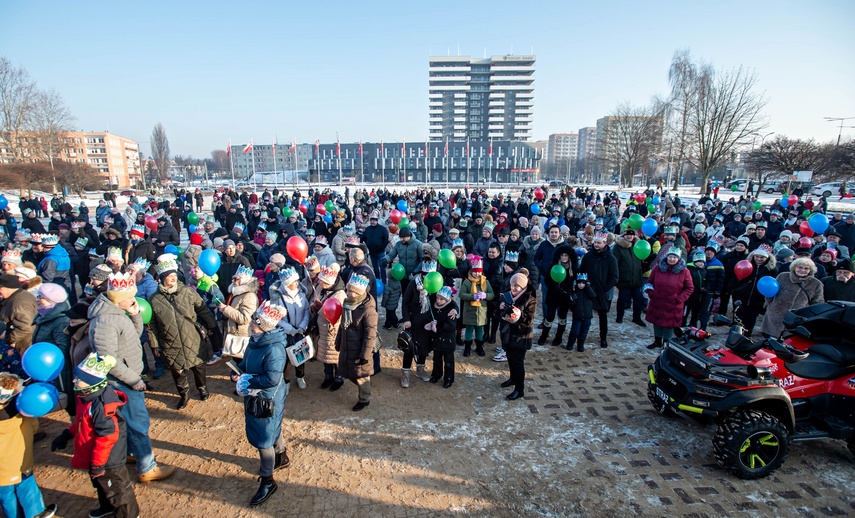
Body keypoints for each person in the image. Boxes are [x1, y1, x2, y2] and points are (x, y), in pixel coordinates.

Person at [87, 271, 176, 483]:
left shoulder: (117, 314)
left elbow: (131, 337)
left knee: (127, 422)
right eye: (130, 296)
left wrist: (135, 315)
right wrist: (134, 380)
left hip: (126, 376)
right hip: (122, 381)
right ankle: (147, 467)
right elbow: (108, 359)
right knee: (138, 423)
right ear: (118, 298)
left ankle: (132, 452)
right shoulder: (106, 321)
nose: (134, 299)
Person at [50, 353, 139, 518]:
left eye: (79, 379)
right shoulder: (86, 398)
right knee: (101, 485)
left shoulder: (102, 406)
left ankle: (129, 515)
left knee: (118, 491)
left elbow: (107, 437)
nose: (74, 381)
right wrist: (67, 434)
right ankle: (107, 508)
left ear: (92, 382)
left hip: (109, 460)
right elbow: (82, 423)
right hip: (96, 456)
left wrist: (98, 464)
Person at [233, 301, 289, 507]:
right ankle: (281, 456)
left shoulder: (274, 349)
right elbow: (246, 362)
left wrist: (247, 380)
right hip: (256, 395)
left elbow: (272, 379)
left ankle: (268, 481)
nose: (250, 324)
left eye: (254, 323)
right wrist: (237, 371)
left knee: (264, 439)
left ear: (263, 326)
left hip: (267, 398)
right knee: (273, 427)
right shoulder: (255, 340)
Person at [149, 254, 218, 410]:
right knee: (177, 371)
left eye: (174, 275)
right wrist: (154, 343)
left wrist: (212, 325)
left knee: (198, 365)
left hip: (191, 336)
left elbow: (202, 309)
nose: (173, 278)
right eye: (169, 276)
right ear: (162, 278)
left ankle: (202, 388)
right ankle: (184, 395)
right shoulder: (154, 299)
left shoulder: (187, 292)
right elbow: (152, 324)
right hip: (170, 341)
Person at [336, 274, 377, 411]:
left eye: (351, 291)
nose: (347, 293)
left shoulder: (368, 310)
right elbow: (342, 326)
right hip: (348, 346)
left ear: (359, 292)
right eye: (347, 290)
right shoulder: (348, 304)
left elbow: (370, 335)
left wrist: (365, 355)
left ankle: (364, 399)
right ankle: (365, 392)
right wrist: (338, 341)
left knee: (361, 376)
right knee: (351, 373)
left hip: (360, 349)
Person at [32, 283, 73, 418]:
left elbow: (63, 347)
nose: (37, 299)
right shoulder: (43, 316)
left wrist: (46, 360)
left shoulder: (60, 321)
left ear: (51, 300)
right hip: (46, 368)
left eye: (41, 297)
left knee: (66, 404)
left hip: (58, 371)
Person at [760, 258, 825, 338]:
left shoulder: (816, 284)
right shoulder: (783, 276)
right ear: (794, 267)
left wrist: (807, 318)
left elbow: (817, 303)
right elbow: (771, 292)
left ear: (810, 270)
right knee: (767, 341)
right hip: (774, 317)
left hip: (796, 321)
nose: (802, 270)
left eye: (806, 268)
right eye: (800, 267)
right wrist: (769, 305)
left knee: (787, 343)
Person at [498, 268, 537, 400]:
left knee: (518, 363)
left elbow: (529, 320)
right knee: (510, 358)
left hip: (521, 336)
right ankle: (513, 379)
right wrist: (501, 308)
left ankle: (519, 390)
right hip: (508, 334)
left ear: (523, 286)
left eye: (516, 286)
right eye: (512, 285)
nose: (513, 288)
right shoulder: (507, 296)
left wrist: (518, 314)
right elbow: (498, 314)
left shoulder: (530, 299)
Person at [268, 266, 310, 390]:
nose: (297, 283)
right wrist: (289, 328)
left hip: (299, 331)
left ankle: (300, 376)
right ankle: (286, 381)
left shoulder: (302, 293)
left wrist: (302, 326)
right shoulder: (277, 297)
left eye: (297, 280)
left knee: (301, 355)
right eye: (294, 281)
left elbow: (306, 311)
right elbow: (275, 317)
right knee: (285, 358)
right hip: (284, 333)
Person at [644, 248, 694, 349]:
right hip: (657, 301)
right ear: (666, 257)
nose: (672, 259)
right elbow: (649, 282)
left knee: (669, 325)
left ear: (678, 259)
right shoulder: (658, 268)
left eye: (674, 257)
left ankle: (666, 344)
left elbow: (689, 288)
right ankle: (657, 341)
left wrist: (679, 299)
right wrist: (652, 294)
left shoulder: (684, 271)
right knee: (657, 322)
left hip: (673, 304)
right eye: (670, 257)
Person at [399, 260, 437, 386]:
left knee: (424, 347)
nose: (427, 278)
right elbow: (405, 302)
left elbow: (442, 301)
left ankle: (420, 370)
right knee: (409, 348)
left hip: (427, 323)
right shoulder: (413, 283)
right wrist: (406, 319)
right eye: (425, 275)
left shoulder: (436, 284)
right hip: (413, 321)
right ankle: (405, 374)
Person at [578, 232, 618, 348]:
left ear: (605, 243)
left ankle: (603, 337)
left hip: (601, 291)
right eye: (595, 242)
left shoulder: (611, 258)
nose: (596, 244)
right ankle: (581, 337)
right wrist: (583, 284)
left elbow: (614, 277)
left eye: (599, 243)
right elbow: (581, 271)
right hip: (588, 289)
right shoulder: (588, 256)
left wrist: (605, 288)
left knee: (603, 315)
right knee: (584, 315)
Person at [310, 264, 347, 391]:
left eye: (322, 281)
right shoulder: (321, 289)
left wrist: (320, 309)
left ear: (329, 282)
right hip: (322, 330)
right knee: (324, 354)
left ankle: (339, 378)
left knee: (334, 356)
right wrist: (313, 307)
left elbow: (338, 315)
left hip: (333, 332)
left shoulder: (340, 295)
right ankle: (328, 377)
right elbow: (314, 302)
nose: (319, 282)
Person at [732, 245, 778, 336]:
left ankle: (746, 337)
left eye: (762, 257)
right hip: (742, 297)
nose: (759, 259)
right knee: (738, 318)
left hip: (757, 299)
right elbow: (737, 279)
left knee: (750, 320)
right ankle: (735, 336)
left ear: (767, 258)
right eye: (757, 256)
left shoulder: (771, 270)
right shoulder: (747, 265)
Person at [539, 244, 576, 346]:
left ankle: (558, 337)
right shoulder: (554, 266)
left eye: (566, 255)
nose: (564, 257)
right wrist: (556, 288)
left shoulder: (573, 268)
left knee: (562, 317)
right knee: (549, 317)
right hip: (553, 295)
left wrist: (568, 293)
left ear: (569, 256)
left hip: (565, 297)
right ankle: (544, 335)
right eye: (562, 255)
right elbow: (547, 280)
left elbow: (573, 282)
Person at [459, 256, 494, 357]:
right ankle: (467, 347)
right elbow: (461, 294)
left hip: (481, 310)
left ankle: (479, 346)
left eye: (479, 272)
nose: (477, 274)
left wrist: (485, 295)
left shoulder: (485, 282)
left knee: (479, 329)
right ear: (471, 271)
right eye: (475, 272)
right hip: (469, 310)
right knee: (469, 329)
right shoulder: (467, 282)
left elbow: (492, 294)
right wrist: (472, 296)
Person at [612, 229, 647, 326]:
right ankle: (619, 317)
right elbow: (614, 262)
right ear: (624, 236)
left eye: (631, 235)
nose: (629, 236)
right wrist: (616, 277)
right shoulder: (618, 247)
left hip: (636, 278)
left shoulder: (637, 246)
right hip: (624, 278)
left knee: (638, 299)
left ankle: (637, 317)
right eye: (627, 235)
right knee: (622, 299)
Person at [426, 286, 459, 388]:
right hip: (437, 339)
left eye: (441, 299)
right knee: (436, 359)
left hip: (448, 341)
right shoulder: (434, 307)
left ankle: (448, 378)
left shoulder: (451, 311)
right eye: (438, 298)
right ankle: (436, 375)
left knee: (448, 362)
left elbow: (451, 327)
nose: (438, 300)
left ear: (446, 300)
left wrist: (438, 325)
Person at [0, 273, 37, 354]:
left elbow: (26, 327)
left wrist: (9, 339)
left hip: (20, 346)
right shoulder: (16, 296)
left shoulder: (20, 303)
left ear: (7, 288)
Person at [565, 273, 596, 352]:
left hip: (587, 316)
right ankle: (570, 343)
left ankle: (580, 344)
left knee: (584, 332)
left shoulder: (588, 291)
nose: (581, 285)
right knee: (575, 331)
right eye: (579, 283)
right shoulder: (574, 292)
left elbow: (593, 296)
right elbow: (570, 302)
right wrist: (572, 304)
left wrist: (588, 287)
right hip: (577, 315)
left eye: (583, 283)